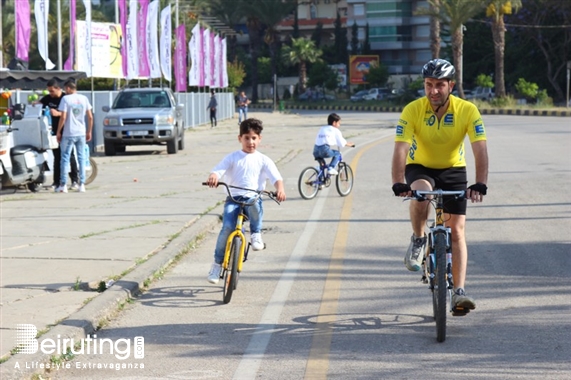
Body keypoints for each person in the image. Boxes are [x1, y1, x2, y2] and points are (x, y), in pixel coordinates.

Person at [390, 58, 488, 314]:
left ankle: (459, 292)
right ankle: (419, 238)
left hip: (453, 170)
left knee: (456, 231)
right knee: (420, 193)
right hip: (420, 166)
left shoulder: (468, 110)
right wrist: (398, 182)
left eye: (439, 85)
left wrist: (480, 183)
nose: (433, 91)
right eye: (428, 84)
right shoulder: (412, 109)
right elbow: (400, 149)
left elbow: (480, 149)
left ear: (451, 85)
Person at [205, 118, 286, 284]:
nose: (251, 142)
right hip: (233, 199)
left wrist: (280, 189)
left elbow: (276, 178)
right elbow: (218, 170)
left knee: (256, 205)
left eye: (254, 138)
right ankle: (217, 264)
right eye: (247, 138)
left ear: (259, 139)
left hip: (252, 197)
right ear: (240, 138)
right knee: (227, 227)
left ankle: (256, 233)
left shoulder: (264, 159)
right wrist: (213, 177)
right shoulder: (233, 157)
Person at [39, 80, 79, 190]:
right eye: (49, 91)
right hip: (54, 131)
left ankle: (75, 180)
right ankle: (56, 182)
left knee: (69, 156)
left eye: (52, 91)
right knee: (57, 157)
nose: (51, 93)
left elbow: (72, 112)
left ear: (58, 88)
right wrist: (34, 105)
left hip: (66, 131)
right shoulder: (47, 98)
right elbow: (39, 105)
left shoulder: (65, 98)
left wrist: (58, 113)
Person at [55, 79, 93, 193]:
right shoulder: (84, 98)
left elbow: (63, 117)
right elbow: (90, 117)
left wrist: (58, 131)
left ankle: (63, 184)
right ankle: (82, 184)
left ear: (68, 88)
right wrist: (89, 131)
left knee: (65, 158)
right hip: (81, 132)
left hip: (69, 132)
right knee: (81, 157)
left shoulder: (66, 99)